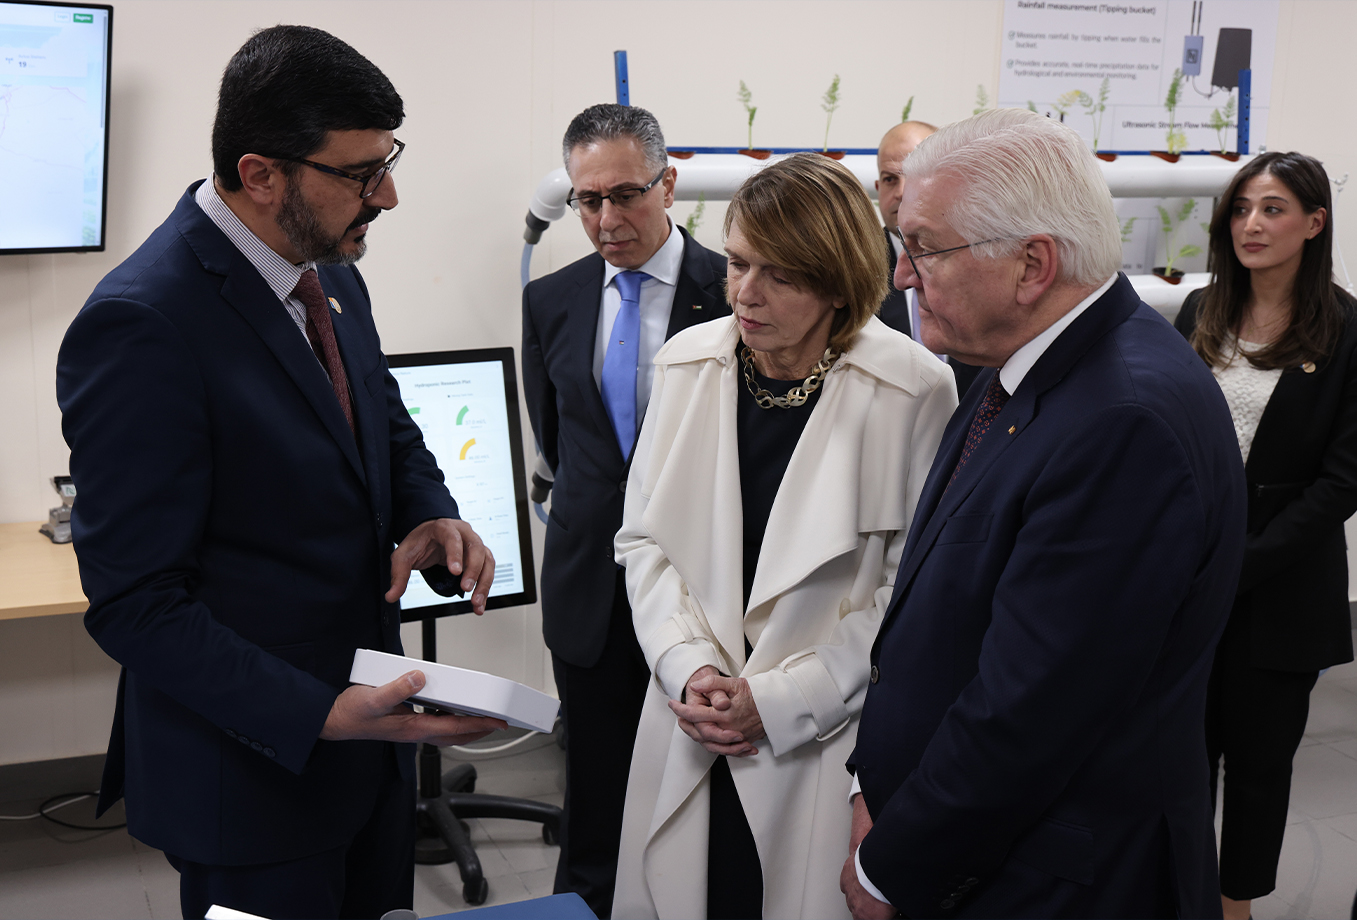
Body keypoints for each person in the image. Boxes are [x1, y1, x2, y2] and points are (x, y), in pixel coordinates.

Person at [56, 26, 503, 920]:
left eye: (388, 163)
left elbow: (383, 423)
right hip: (252, 777)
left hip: (370, 754)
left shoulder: (327, 271)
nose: (389, 195)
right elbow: (135, 603)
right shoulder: (144, 323)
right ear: (260, 175)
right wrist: (319, 714)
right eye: (361, 174)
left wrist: (429, 511)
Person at [842, 109, 1247, 919]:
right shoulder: (1023, 366)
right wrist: (874, 781)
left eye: (923, 247)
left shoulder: (1122, 422)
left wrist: (893, 864)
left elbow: (1030, 711)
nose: (903, 276)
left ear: (1031, 264)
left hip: (1048, 878)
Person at [612, 152, 957, 920]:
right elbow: (644, 541)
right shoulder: (684, 364)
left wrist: (781, 700)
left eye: (780, 275)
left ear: (838, 283)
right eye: (737, 263)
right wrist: (687, 667)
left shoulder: (913, 388)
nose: (745, 292)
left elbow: (910, 592)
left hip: (820, 734)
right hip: (691, 716)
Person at [521, 102, 729, 918]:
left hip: (698, 581)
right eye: (587, 200)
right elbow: (558, 440)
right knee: (594, 791)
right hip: (589, 584)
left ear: (667, 185)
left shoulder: (734, 290)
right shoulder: (552, 300)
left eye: (624, 195)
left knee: (703, 784)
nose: (605, 220)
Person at [1172, 151, 1357, 920]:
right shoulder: (1198, 309)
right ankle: (1178, 891)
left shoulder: (1346, 329)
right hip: (1184, 576)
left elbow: (1341, 481)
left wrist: (1240, 565)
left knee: (1256, 765)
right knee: (1179, 757)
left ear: (1313, 224)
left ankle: (1233, 905)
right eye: (1241, 208)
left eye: (1272, 208)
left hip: (1281, 587)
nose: (1250, 224)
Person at [875, 120, 983, 399]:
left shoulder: (983, 257)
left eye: (914, 177)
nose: (901, 191)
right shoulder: (856, 267)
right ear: (878, 187)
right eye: (890, 179)